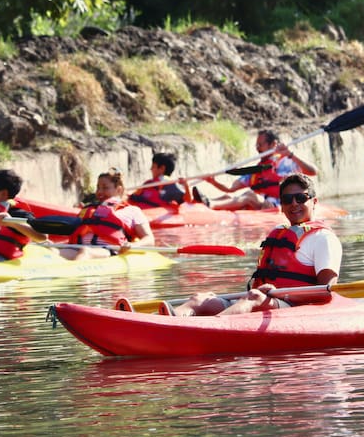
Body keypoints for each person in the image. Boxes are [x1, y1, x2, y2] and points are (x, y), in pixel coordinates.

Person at [169, 173, 342, 316]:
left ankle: (207, 329)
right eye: (287, 200)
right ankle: (167, 322)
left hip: (294, 310)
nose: (294, 204)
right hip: (263, 301)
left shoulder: (323, 238)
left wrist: (280, 293)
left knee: (254, 297)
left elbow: (326, 292)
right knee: (200, 299)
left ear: (314, 202)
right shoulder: (278, 231)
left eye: (300, 198)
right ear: (281, 206)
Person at [201, 129, 318, 211]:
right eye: (256, 146)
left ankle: (211, 205)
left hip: (277, 206)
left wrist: (290, 154)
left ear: (273, 144)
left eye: (260, 145)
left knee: (249, 195)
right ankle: (204, 203)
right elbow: (230, 189)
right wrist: (213, 181)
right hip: (260, 204)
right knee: (229, 197)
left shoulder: (286, 162)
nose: (257, 149)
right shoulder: (257, 169)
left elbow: (312, 171)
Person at [58, 168, 155, 260]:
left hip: (107, 250)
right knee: (53, 251)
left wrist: (133, 245)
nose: (99, 192)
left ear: (119, 190)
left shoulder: (132, 211)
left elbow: (149, 239)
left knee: (86, 252)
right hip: (77, 248)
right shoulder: (90, 209)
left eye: (105, 188)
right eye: (98, 187)